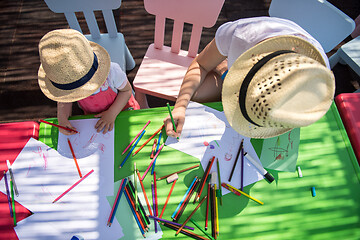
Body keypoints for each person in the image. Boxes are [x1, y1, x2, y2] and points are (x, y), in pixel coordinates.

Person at [164, 16, 335, 139]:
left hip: (258, 91)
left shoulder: (313, 77)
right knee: (196, 95)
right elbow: (200, 65)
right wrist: (180, 106)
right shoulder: (240, 35)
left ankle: (225, 70)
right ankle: (225, 70)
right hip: (240, 73)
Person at [37, 29, 140, 135]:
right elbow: (64, 100)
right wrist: (62, 119)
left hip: (122, 109)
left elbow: (126, 91)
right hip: (93, 118)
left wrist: (112, 113)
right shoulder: (64, 81)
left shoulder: (112, 71)